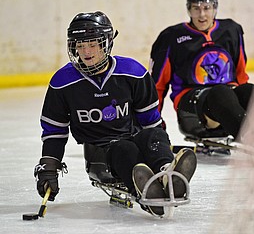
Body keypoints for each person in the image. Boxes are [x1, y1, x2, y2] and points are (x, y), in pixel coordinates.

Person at [33, 11, 196, 217]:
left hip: (134, 139)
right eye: (80, 45)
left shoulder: (133, 72)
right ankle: (146, 191)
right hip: (100, 154)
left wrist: (159, 149)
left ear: (106, 43)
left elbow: (151, 122)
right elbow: (55, 131)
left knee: (152, 135)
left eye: (92, 44)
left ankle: (166, 173)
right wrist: (49, 166)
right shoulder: (63, 82)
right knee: (124, 148)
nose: (86, 51)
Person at [149, 0, 254, 142]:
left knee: (250, 90)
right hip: (192, 113)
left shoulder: (232, 30)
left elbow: (241, 76)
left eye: (207, 8)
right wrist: (152, 124)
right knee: (220, 92)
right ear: (188, 9)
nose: (202, 15)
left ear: (215, 8)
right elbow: (157, 86)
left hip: (229, 109)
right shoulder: (171, 38)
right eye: (196, 8)